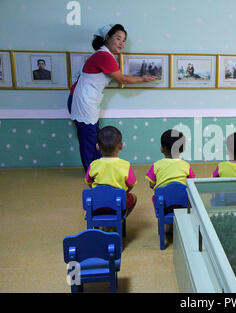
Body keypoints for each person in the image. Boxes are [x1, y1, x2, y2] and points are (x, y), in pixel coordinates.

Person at [68, 24, 158, 172]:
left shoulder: (103, 55)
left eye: (124, 40)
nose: (122, 43)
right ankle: (92, 173)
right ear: (107, 38)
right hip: (83, 101)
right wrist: (143, 79)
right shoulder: (103, 56)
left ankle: (98, 169)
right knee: (89, 140)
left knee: (94, 138)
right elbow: (122, 79)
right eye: (118, 38)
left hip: (84, 99)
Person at [84, 126, 137, 217]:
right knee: (134, 197)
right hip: (118, 203)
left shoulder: (93, 165)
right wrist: (124, 192)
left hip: (97, 203)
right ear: (121, 146)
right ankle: (121, 218)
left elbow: (88, 182)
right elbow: (131, 184)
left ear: (98, 147)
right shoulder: (125, 165)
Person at [145, 129, 195, 215]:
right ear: (182, 149)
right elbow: (192, 183)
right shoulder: (186, 166)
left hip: (163, 204)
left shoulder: (156, 165)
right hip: (182, 203)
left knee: (157, 194)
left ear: (162, 148)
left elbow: (151, 185)